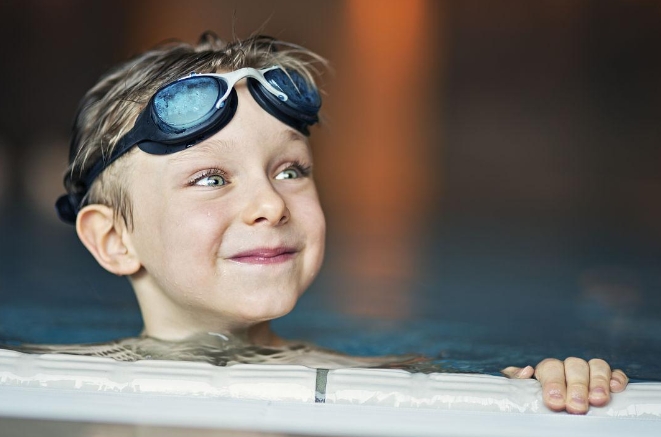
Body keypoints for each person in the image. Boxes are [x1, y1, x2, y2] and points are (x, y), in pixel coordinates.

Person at [49, 32, 627, 414]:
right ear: (114, 239)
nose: (271, 205)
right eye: (211, 178)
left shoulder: (389, 381)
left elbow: (494, 403)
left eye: (291, 170)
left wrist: (548, 386)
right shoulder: (47, 383)